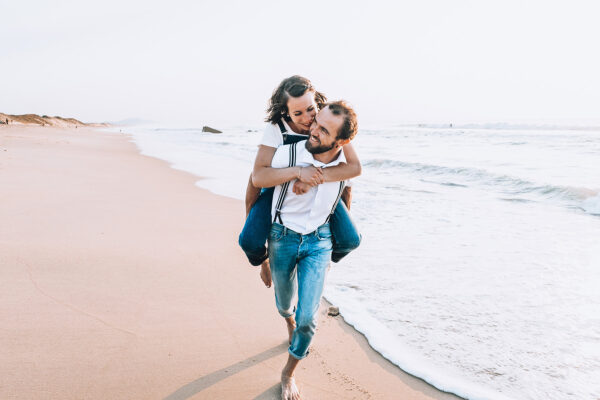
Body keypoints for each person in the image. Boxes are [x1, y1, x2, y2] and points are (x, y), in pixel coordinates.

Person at [268, 101, 359, 399]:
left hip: (319, 242)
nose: (313, 131)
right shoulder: (287, 153)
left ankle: (288, 373)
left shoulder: (344, 166)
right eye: (316, 123)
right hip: (282, 237)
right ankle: (287, 319)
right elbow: (257, 180)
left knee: (308, 320)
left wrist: (331, 251)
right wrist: (298, 174)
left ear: (342, 141)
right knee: (284, 305)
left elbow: (346, 191)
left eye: (324, 130)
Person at [238, 76, 362, 288]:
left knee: (350, 239)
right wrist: (298, 172)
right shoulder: (276, 129)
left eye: (311, 109)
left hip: (320, 193)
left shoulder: (327, 118)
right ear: (286, 112)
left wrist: (314, 178)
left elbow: (353, 169)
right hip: (277, 190)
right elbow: (258, 177)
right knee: (249, 242)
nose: (308, 119)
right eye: (298, 113)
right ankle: (266, 260)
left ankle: (320, 259)